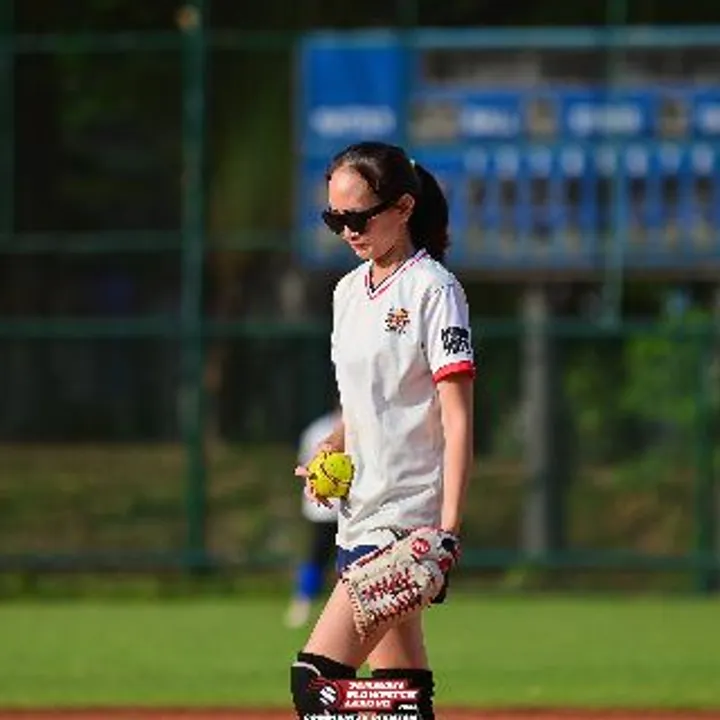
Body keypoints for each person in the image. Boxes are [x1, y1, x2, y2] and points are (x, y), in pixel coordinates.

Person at [291, 141, 475, 720]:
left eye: (359, 217)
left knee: (315, 686)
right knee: (401, 696)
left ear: (402, 207)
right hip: (358, 516)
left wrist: (446, 532)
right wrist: (332, 445)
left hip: (405, 525)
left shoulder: (434, 290)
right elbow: (367, 403)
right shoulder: (347, 292)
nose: (347, 230)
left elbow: (457, 417)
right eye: (334, 219)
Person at [285, 407, 342, 629]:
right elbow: (307, 467)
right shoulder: (318, 430)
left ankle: (345, 611)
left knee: (353, 563)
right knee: (317, 557)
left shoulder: (366, 422)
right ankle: (302, 602)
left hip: (357, 507)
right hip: (324, 511)